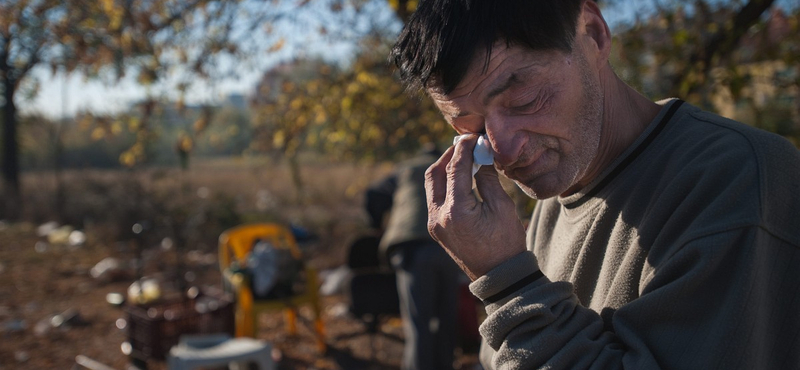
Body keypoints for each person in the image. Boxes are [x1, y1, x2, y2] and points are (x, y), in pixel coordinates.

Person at [389, 1, 800, 369]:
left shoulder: (735, 181)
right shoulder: (554, 197)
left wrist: (507, 283)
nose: (504, 151)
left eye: (525, 100)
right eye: (472, 129)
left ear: (593, 35)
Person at [366, 143, 463, 370]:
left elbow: (373, 194)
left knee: (419, 322)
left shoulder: (405, 168)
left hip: (412, 249)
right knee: (446, 318)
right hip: (448, 247)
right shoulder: (452, 168)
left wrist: (376, 225)